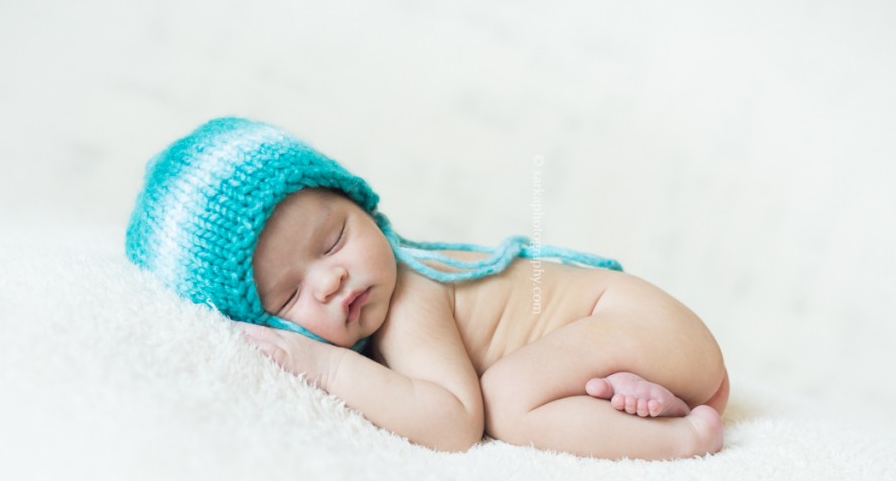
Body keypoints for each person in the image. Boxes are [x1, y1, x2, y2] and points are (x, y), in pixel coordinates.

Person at [127, 117, 729, 460]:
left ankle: (684, 438)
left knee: (507, 396)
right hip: (639, 341)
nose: (332, 278)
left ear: (361, 204)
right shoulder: (380, 290)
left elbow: (453, 421)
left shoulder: (410, 296)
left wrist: (325, 368)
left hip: (642, 324)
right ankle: (633, 395)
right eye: (288, 298)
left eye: (334, 238)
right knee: (527, 378)